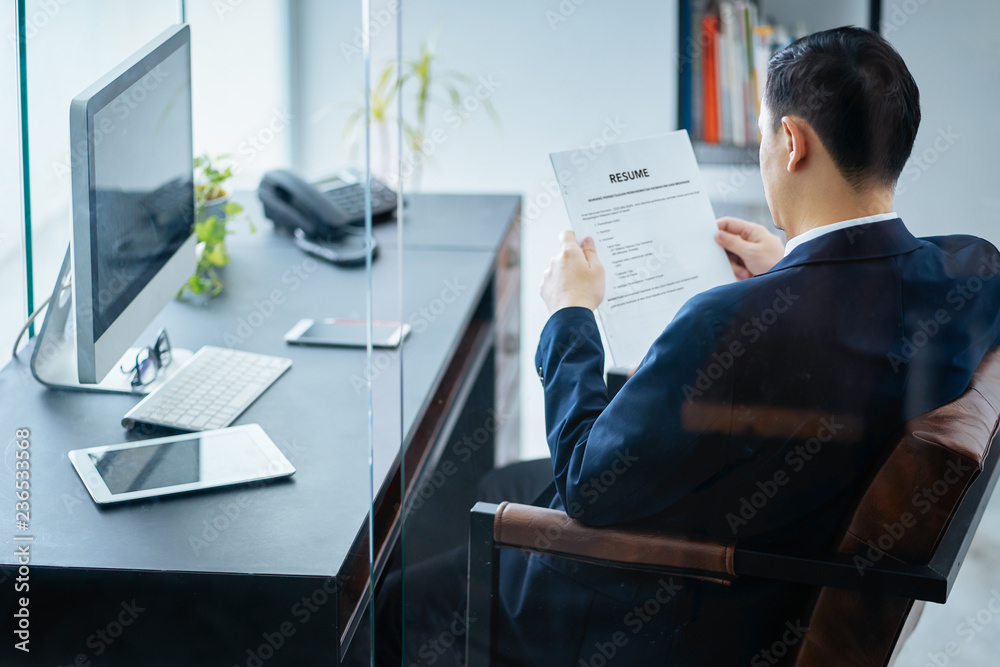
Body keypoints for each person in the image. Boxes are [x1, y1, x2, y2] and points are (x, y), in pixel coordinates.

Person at [378, 26, 1000, 666]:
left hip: (669, 609)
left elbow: (588, 487)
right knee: (507, 478)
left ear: (791, 143)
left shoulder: (724, 325)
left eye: (761, 132)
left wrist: (570, 314)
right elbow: (868, 322)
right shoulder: (975, 272)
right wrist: (793, 269)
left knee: (388, 606)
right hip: (785, 566)